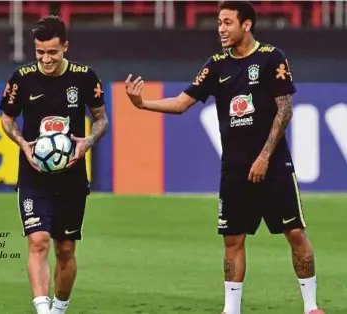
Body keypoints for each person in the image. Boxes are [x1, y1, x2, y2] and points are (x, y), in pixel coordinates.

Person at [124, 2, 324, 314]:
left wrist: (264, 156)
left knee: (295, 232)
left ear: (246, 25)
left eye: (228, 22)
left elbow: (285, 109)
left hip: (273, 165)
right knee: (232, 239)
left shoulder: (272, 57)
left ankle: (311, 307)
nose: (221, 28)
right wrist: (141, 104)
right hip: (234, 166)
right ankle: (231, 310)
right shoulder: (216, 65)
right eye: (219, 22)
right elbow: (181, 103)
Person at [0, 15, 109, 314]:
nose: (45, 59)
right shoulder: (21, 79)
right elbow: (7, 120)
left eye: (52, 52)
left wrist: (87, 141)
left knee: (65, 249)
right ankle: (43, 310)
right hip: (34, 174)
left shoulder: (85, 77)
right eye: (40, 53)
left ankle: (59, 309)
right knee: (38, 241)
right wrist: (23, 144)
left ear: (65, 48)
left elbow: (101, 119)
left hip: (72, 175)